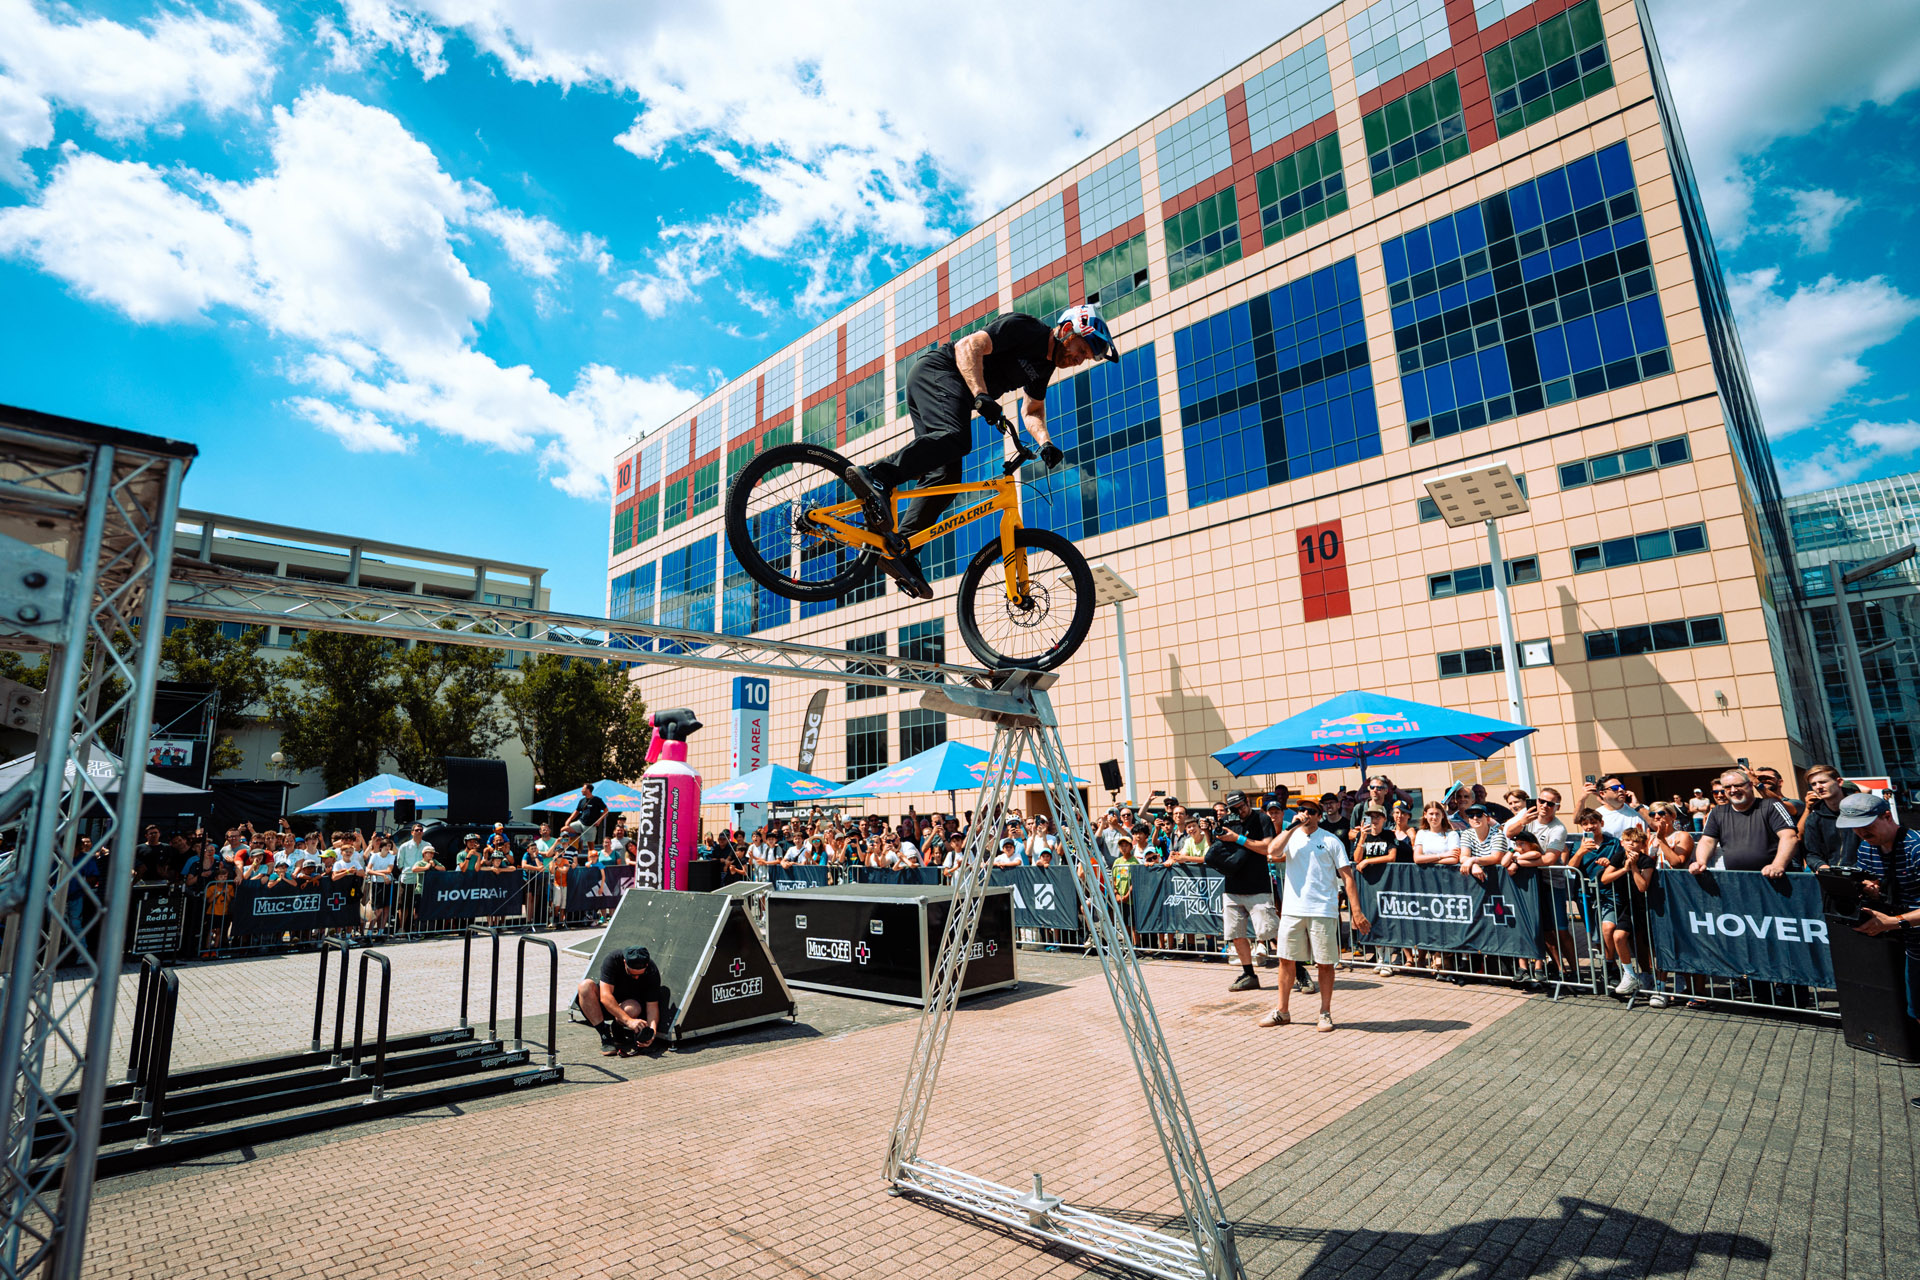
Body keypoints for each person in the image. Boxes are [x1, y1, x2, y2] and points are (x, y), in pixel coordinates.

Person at [842, 305, 1115, 596]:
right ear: (1067, 330)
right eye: (1081, 350)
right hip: (938, 372)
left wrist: (1045, 443)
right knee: (955, 438)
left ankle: (901, 549)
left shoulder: (1044, 368)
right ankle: (878, 475)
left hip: (951, 393)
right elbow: (968, 346)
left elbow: (1032, 410)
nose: (1078, 360)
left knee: (946, 478)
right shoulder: (1026, 328)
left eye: (1085, 358)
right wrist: (981, 394)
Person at [1235, 799, 1367, 1032]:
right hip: (1292, 910)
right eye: (1301, 810)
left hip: (1322, 910)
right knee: (1286, 960)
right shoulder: (1291, 836)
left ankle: (1325, 1012)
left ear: (1319, 816)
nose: (1305, 813)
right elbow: (1272, 851)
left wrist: (1356, 911)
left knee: (1324, 963)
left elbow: (1347, 877)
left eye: (1311, 811)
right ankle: (1282, 1011)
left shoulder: (1331, 840)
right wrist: (1290, 827)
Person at [1205, 789, 1278, 991]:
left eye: (1241, 806)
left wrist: (1237, 838)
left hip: (1258, 886)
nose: (1239, 811)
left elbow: (1268, 848)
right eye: (1234, 809)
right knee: (1236, 934)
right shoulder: (1228, 821)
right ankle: (1249, 974)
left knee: (1271, 932)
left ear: (1248, 801)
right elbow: (1219, 847)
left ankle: (1298, 971)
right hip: (1232, 887)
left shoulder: (1262, 819)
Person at [1690, 768, 1797, 876]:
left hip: (1773, 878)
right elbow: (1707, 841)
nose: (1733, 790)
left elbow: (1789, 837)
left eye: (1738, 785)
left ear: (1750, 785)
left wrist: (1778, 865)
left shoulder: (1771, 805)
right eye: (1727, 787)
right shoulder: (1717, 812)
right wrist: (1700, 862)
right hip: (1737, 880)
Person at [578, 945, 665, 1056]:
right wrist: (629, 1021)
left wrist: (652, 1032)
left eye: (640, 974)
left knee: (632, 1008)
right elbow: (605, 996)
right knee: (585, 986)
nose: (636, 977)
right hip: (607, 1006)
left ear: (646, 965)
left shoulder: (652, 970)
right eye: (632, 974)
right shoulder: (612, 960)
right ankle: (605, 1035)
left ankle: (617, 1028)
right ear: (624, 962)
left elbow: (652, 1006)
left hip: (630, 1006)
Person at [1797, 765, 1851, 871]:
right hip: (1830, 875)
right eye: (1813, 784)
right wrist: (1821, 866)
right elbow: (1812, 853)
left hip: (1863, 875)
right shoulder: (1814, 818)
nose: (1818, 787)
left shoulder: (1860, 810)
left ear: (1839, 782)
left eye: (1823, 782)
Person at [562, 782, 609, 857]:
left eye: (583, 789)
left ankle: (591, 861)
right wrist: (569, 819)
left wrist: (599, 821)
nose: (581, 790)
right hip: (580, 822)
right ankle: (565, 847)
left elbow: (606, 810)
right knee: (564, 829)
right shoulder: (582, 800)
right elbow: (577, 811)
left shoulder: (597, 800)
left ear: (588, 790)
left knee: (591, 847)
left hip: (590, 825)